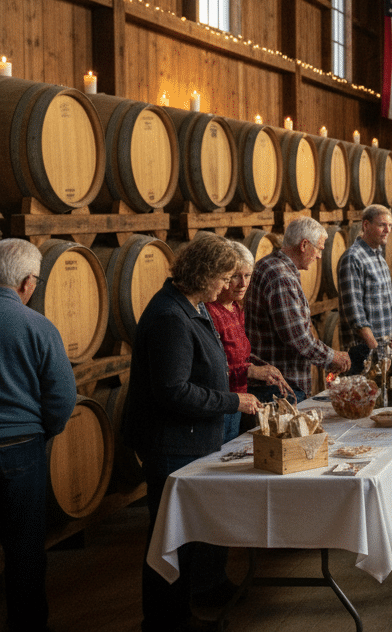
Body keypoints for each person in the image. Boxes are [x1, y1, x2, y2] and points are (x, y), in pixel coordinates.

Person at [123, 235, 263, 631]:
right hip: (172, 442)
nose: (227, 285)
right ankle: (167, 620)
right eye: (223, 276)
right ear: (203, 274)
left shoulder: (190, 305)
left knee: (183, 535)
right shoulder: (171, 316)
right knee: (171, 537)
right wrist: (232, 402)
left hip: (189, 439)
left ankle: (180, 610)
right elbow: (173, 390)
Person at [0, 239, 76, 632]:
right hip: (19, 449)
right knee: (24, 547)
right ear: (29, 282)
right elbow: (63, 397)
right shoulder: (38, 325)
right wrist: (45, 429)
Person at [247, 218, 351, 401]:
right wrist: (332, 357)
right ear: (304, 245)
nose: (319, 256)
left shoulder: (272, 265)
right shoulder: (280, 276)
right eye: (318, 248)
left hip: (278, 383)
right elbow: (297, 337)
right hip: (280, 386)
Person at [205, 240, 290, 439]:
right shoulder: (210, 311)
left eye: (247, 275)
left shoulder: (236, 307)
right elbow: (212, 369)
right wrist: (252, 371)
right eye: (235, 276)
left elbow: (238, 357)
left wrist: (263, 368)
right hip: (217, 407)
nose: (243, 283)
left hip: (237, 403)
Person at [338, 204, 392, 372]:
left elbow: (375, 294)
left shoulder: (378, 255)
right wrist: (375, 349)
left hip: (382, 346)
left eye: (390, 225)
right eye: (382, 225)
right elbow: (355, 313)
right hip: (364, 350)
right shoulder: (353, 258)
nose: (387, 230)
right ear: (366, 225)